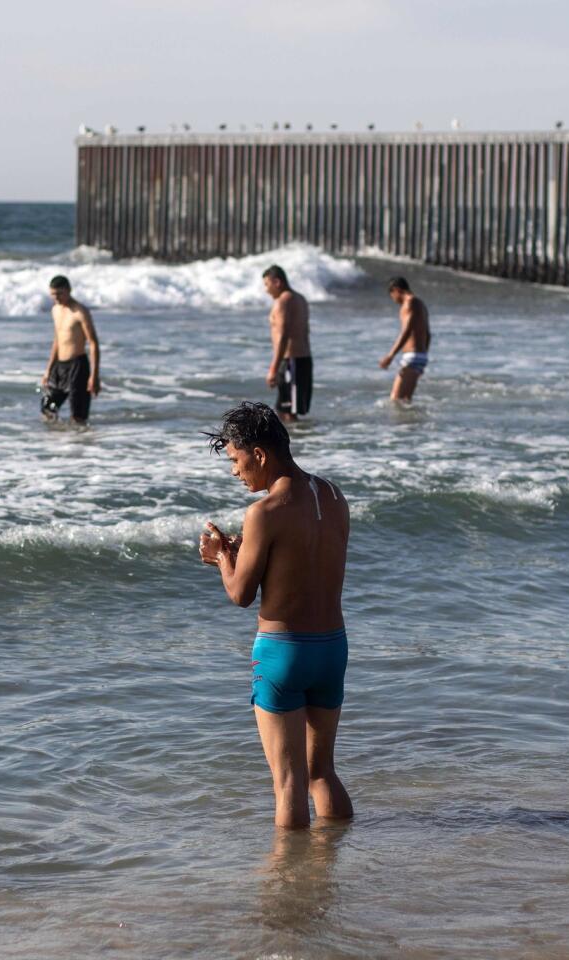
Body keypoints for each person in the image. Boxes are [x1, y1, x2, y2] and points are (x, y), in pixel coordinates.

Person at [199, 402, 353, 829]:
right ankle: (336, 857)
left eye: (236, 460)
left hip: (283, 653)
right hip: (332, 648)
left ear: (260, 455)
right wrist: (244, 548)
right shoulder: (335, 495)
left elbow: (242, 594)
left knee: (288, 783)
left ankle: (291, 884)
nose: (235, 471)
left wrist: (221, 559)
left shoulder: (264, 513)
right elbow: (302, 561)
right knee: (322, 773)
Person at [40, 275, 101, 424]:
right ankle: (57, 440)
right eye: (53, 294)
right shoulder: (55, 310)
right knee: (47, 408)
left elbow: (93, 343)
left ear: (68, 290)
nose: (56, 298)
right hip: (60, 367)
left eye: (59, 294)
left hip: (78, 367)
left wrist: (94, 376)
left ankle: (79, 443)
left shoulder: (80, 312)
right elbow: (57, 340)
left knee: (78, 416)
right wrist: (49, 369)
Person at [262, 265, 312, 422]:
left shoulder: (283, 301)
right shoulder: (300, 298)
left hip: (291, 362)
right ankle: (296, 443)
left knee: (288, 412)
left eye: (267, 284)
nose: (266, 290)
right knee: (285, 410)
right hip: (302, 360)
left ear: (277, 282)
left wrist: (273, 368)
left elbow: (283, 336)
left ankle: (294, 445)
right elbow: (305, 331)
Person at [378, 276, 431, 402]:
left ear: (396, 290)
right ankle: (414, 422)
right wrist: (424, 356)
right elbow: (428, 334)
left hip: (412, 357)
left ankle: (405, 422)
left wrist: (390, 356)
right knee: (405, 400)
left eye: (392, 295)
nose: (394, 300)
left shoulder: (409, 303)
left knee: (395, 400)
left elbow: (406, 331)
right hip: (420, 356)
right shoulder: (421, 304)